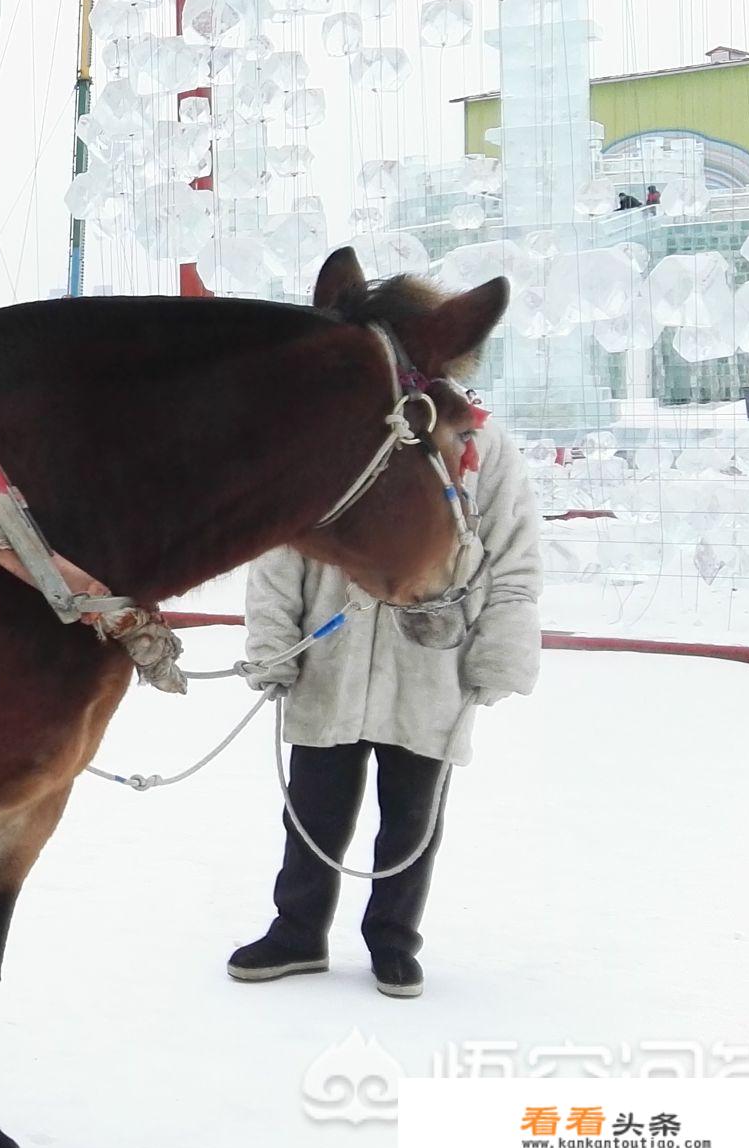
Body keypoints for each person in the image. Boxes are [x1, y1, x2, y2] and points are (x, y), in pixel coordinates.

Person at [226, 407, 542, 999]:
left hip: (431, 665)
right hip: (330, 656)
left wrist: (500, 650)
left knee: (412, 819)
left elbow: (513, 551)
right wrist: (274, 641)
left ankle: (394, 938)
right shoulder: (333, 426)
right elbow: (281, 543)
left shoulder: (480, 439)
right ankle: (298, 932)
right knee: (311, 811)